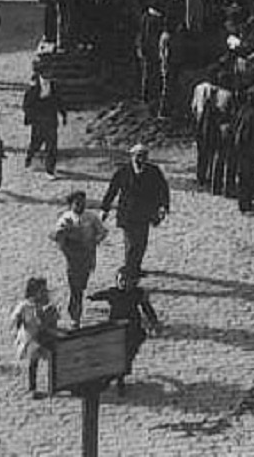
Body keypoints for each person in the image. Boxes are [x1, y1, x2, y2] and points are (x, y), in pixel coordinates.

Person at [100, 143, 170, 280]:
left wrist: (163, 207)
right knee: (131, 244)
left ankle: (135, 268)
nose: (141, 159)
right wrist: (104, 208)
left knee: (141, 243)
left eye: (144, 156)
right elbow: (112, 190)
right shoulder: (123, 172)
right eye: (138, 156)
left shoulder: (153, 171)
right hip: (127, 213)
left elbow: (163, 189)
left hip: (145, 214)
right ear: (132, 157)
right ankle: (129, 272)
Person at [88, 269, 160, 395]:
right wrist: (93, 297)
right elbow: (102, 295)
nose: (124, 283)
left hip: (133, 330)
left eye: (128, 280)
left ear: (134, 282)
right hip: (115, 330)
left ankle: (120, 378)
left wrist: (154, 322)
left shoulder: (138, 293)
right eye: (121, 280)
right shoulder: (113, 292)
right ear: (116, 281)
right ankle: (116, 378)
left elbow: (147, 308)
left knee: (127, 356)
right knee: (115, 355)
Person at [51, 189, 107, 327]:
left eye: (83, 203)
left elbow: (102, 231)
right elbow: (56, 236)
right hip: (73, 258)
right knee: (75, 288)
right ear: (71, 204)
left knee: (81, 286)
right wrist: (65, 235)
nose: (81, 206)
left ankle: (76, 307)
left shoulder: (91, 217)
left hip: (88, 256)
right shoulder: (65, 218)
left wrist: (96, 239)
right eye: (77, 203)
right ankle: (75, 315)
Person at [10, 276, 59, 399]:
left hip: (44, 336)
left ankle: (54, 385)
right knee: (33, 361)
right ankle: (32, 387)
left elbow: (53, 319)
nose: (44, 293)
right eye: (41, 291)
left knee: (53, 358)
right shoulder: (25, 306)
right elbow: (16, 318)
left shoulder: (46, 305)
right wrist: (18, 325)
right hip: (31, 337)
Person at [22, 63, 67, 178]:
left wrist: (63, 114)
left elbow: (59, 101)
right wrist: (32, 117)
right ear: (41, 73)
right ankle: (30, 158)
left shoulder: (54, 85)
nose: (50, 74)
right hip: (38, 120)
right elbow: (26, 105)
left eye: (50, 72)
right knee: (36, 143)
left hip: (51, 118)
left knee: (52, 145)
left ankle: (50, 170)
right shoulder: (33, 87)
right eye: (47, 71)